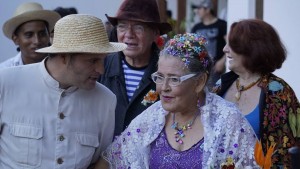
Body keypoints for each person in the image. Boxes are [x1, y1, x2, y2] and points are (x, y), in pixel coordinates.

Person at [98, 33, 258, 168]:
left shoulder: (229, 122)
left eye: (174, 79)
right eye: (160, 77)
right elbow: (112, 160)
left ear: (200, 82)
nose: (163, 88)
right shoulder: (151, 119)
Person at [0, 14, 127, 168]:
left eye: (103, 60)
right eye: (93, 60)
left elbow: (100, 160)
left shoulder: (105, 100)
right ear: (64, 56)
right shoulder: (6, 82)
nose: (101, 69)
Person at [213, 19, 300, 168]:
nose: (225, 49)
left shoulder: (278, 92)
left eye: (231, 44)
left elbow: (287, 153)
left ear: (251, 48)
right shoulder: (221, 85)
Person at [99, 0, 172, 136]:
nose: (129, 34)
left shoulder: (168, 73)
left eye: (138, 27)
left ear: (155, 33)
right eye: (122, 27)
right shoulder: (101, 67)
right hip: (104, 155)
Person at [0, 2, 60, 69]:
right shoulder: (4, 71)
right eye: (29, 35)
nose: (37, 41)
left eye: (42, 34)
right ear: (15, 39)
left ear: (49, 35)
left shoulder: (62, 67)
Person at [191, 0, 227, 91]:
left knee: (215, 92)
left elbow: (230, 44)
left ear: (208, 10)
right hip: (200, 67)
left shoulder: (222, 25)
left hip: (216, 68)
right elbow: (192, 46)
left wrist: (223, 61)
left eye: (200, 8)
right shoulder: (196, 27)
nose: (197, 11)